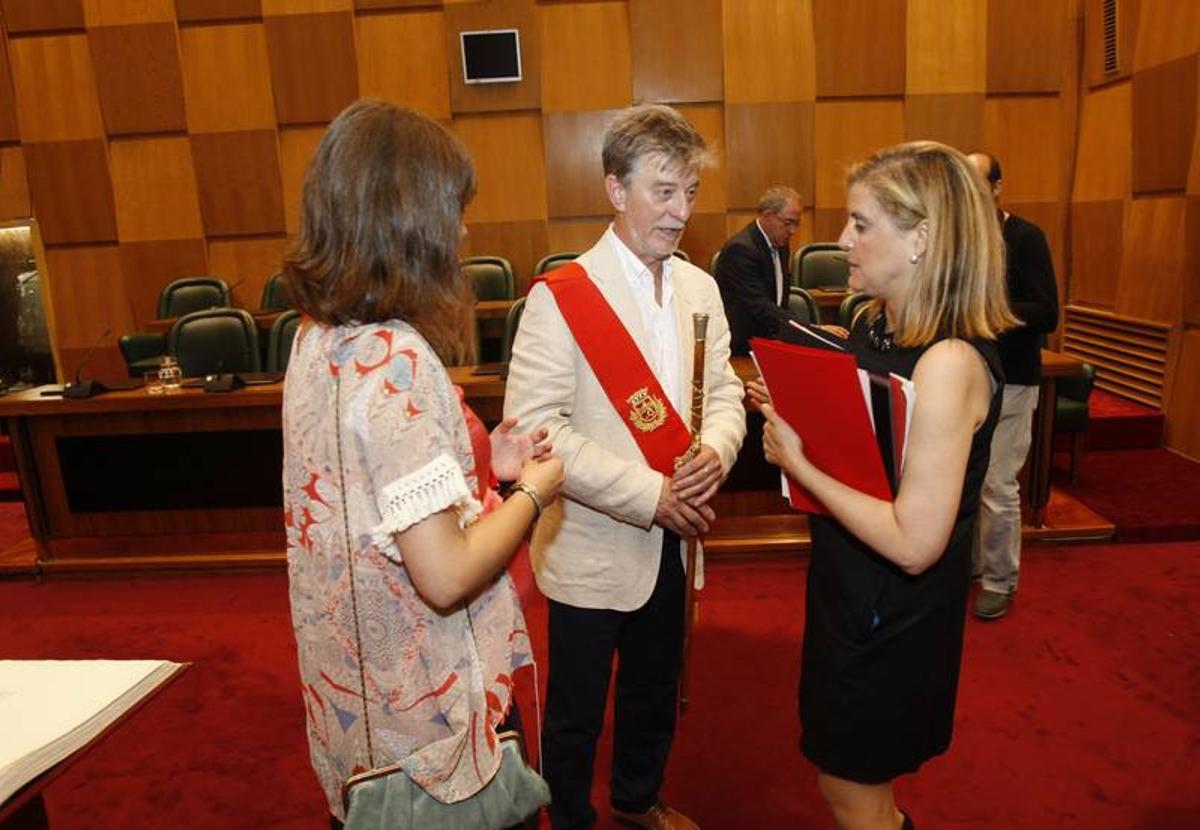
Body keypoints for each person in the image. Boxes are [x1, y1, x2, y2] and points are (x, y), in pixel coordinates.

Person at [280, 99, 564, 829]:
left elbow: (367, 492)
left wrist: (485, 462)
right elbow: (445, 575)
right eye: (453, 213)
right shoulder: (398, 358)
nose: (462, 233)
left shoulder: (315, 338)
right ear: (411, 222)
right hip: (427, 735)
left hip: (356, 713)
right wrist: (533, 493)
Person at [752, 141, 1016, 830]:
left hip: (893, 616)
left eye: (861, 223)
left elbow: (915, 543)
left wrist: (800, 464)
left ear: (921, 238)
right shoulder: (876, 324)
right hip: (850, 593)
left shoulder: (949, 362)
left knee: (850, 790)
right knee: (852, 787)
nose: (843, 240)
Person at [503, 104, 746, 830]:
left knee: (654, 689)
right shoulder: (561, 298)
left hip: (676, 541)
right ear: (616, 189)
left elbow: (726, 391)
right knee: (577, 711)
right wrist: (651, 495)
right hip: (592, 545)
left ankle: (638, 801)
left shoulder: (701, 289)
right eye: (663, 192)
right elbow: (542, 432)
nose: (681, 212)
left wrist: (717, 451)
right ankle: (571, 817)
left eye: (690, 193)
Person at [966, 152, 1060, 621]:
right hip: (966, 378)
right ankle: (972, 565)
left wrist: (988, 310)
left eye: (976, 181)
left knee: (997, 483)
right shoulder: (958, 239)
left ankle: (999, 580)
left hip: (1014, 377)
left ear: (997, 188)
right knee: (966, 479)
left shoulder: (1025, 238)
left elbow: (1046, 312)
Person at [715, 186, 804, 355]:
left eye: (796, 223)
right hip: (741, 349)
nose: (793, 231)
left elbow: (779, 303)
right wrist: (807, 329)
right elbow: (760, 305)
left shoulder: (781, 244)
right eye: (788, 223)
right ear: (768, 215)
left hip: (769, 343)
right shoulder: (740, 249)